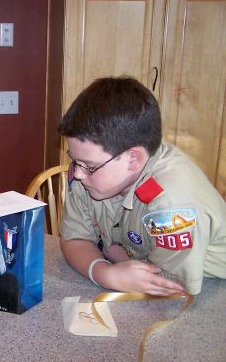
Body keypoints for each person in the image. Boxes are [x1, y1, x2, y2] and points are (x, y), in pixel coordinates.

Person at [58, 76, 225, 296]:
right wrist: (106, 274)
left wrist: (116, 256)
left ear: (133, 159)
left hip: (211, 293)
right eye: (76, 161)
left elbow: (168, 287)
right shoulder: (90, 173)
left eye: (88, 165)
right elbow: (74, 239)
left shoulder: (172, 201)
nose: (77, 173)